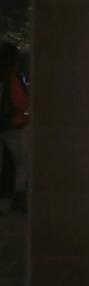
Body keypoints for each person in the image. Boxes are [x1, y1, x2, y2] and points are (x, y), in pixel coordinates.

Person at [0, 41, 30, 212]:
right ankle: (19, 197)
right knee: (23, 161)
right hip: (11, 127)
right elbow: (21, 102)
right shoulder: (12, 76)